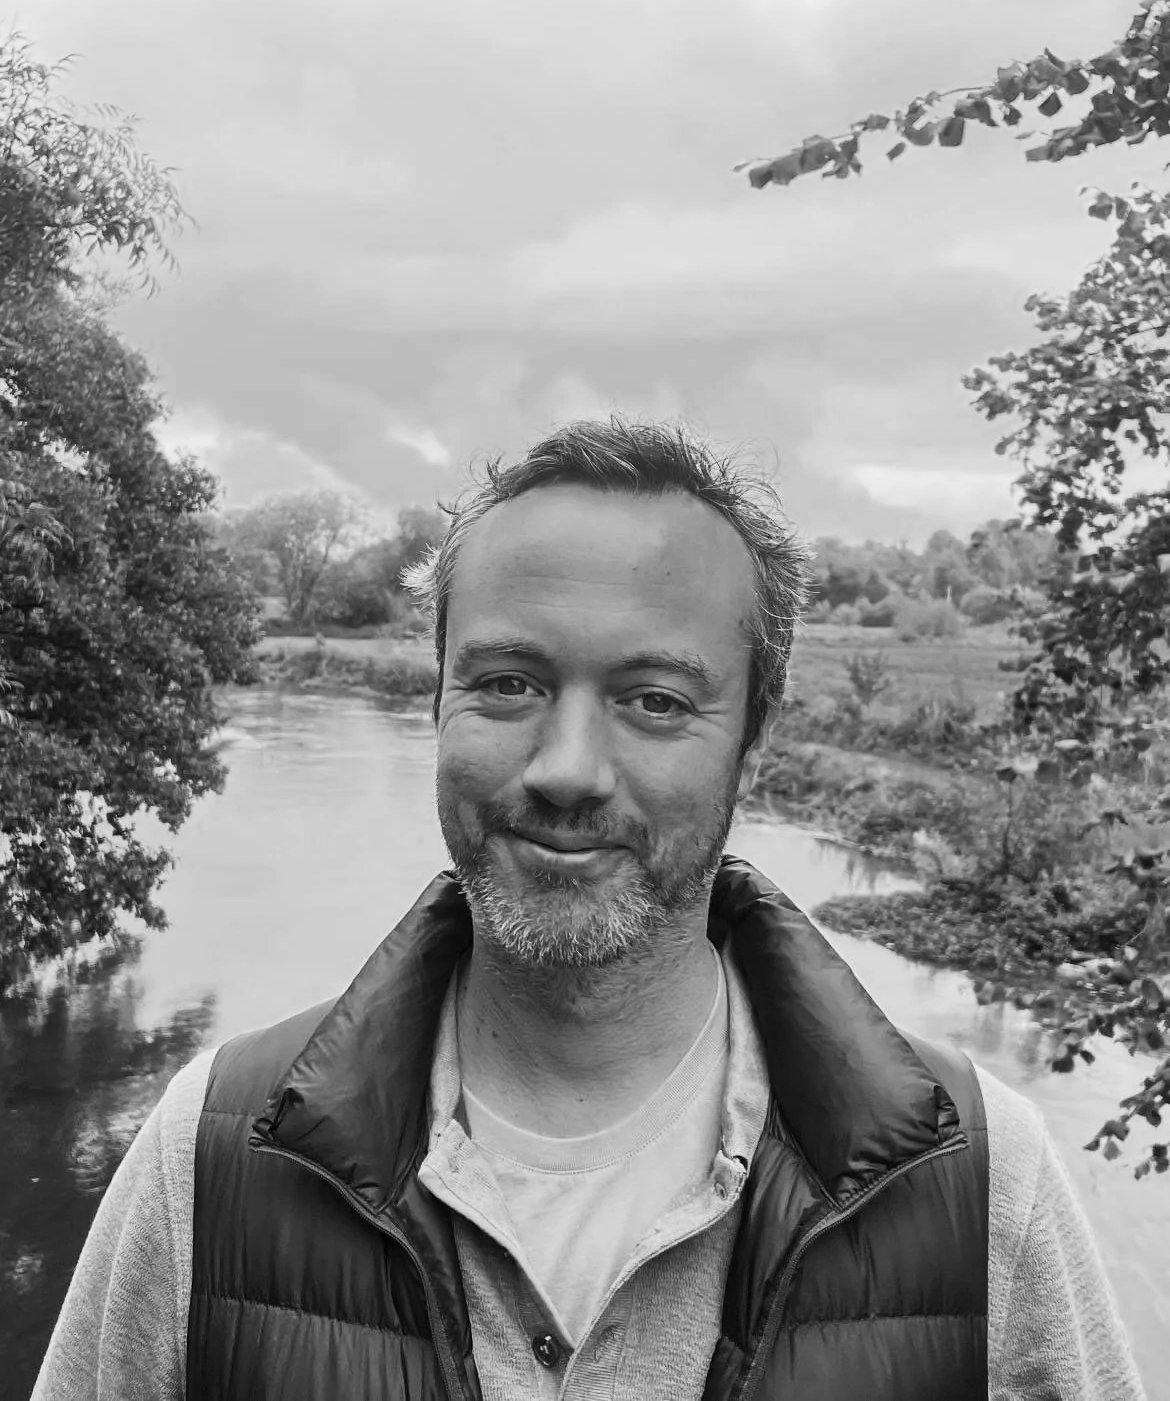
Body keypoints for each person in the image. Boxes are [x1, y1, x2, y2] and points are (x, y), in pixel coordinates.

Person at [33, 418, 1144, 1400]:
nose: (567, 769)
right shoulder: (214, 1155)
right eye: (509, 682)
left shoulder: (977, 1185)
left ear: (754, 737)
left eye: (655, 701)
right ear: (435, 699)